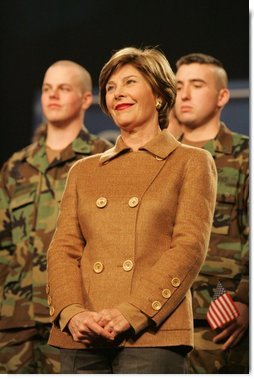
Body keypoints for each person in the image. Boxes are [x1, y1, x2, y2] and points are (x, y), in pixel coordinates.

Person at [47, 46, 217, 374]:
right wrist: (71, 312)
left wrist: (132, 311)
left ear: (158, 94)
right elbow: (63, 251)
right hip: (84, 335)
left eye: (129, 83)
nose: (117, 93)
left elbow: (188, 248)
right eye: (110, 87)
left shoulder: (191, 162)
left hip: (152, 333)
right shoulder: (83, 170)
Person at [0, 60, 112, 374]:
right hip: (14, 319)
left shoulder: (105, 159)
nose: (52, 96)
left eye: (63, 88)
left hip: (74, 317)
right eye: (48, 89)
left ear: (86, 99)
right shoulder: (16, 166)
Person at [174, 53, 249, 373]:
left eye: (197, 85)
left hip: (217, 316)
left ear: (222, 97)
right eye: (178, 86)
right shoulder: (155, 157)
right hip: (156, 317)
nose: (185, 94)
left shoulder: (245, 157)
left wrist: (247, 299)